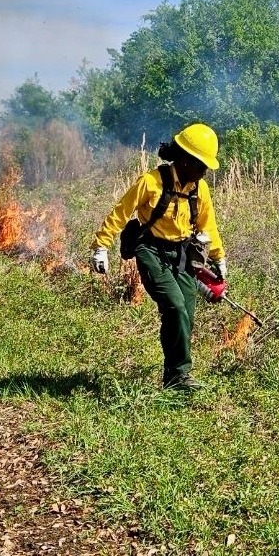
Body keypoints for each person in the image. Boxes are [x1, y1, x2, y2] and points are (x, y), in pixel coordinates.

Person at [90, 123, 228, 392]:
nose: (204, 172)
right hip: (151, 251)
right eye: (201, 165)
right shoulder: (151, 182)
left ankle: (176, 377)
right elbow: (120, 212)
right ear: (185, 159)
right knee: (174, 307)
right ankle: (179, 376)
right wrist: (101, 247)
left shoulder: (199, 189)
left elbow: (207, 226)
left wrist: (218, 259)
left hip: (182, 256)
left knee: (185, 314)